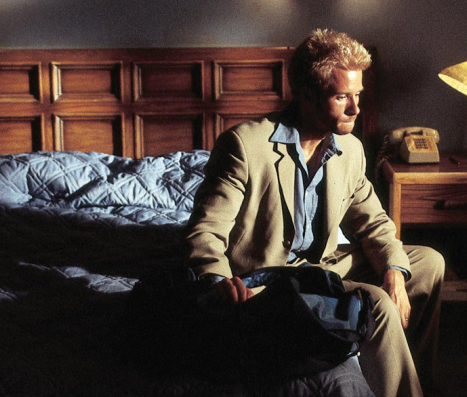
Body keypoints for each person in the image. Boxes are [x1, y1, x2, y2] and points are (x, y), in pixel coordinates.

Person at [182, 29, 444, 397]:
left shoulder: (350, 149)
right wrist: (218, 284)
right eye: (342, 97)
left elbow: (373, 222)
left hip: (323, 265)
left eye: (358, 95)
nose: (355, 109)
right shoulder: (244, 145)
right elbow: (205, 231)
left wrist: (394, 272)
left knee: (429, 264)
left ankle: (415, 377)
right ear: (307, 95)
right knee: (379, 305)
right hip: (270, 279)